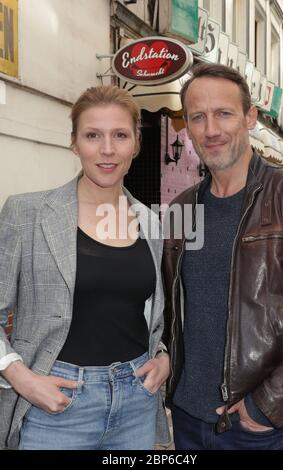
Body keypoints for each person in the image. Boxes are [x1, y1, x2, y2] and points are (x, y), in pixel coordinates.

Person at [0, 85, 170, 450]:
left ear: (136, 143)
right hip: (54, 404)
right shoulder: (25, 214)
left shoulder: (152, 223)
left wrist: (164, 356)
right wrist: (21, 378)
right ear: (74, 143)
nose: (107, 149)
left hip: (136, 401)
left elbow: (154, 313)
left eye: (120, 135)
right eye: (93, 135)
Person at [162, 63, 283, 450]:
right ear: (187, 126)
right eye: (198, 117)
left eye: (224, 113)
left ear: (250, 117)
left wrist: (266, 405)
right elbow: (172, 312)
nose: (212, 130)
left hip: (265, 426)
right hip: (189, 420)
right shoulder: (182, 208)